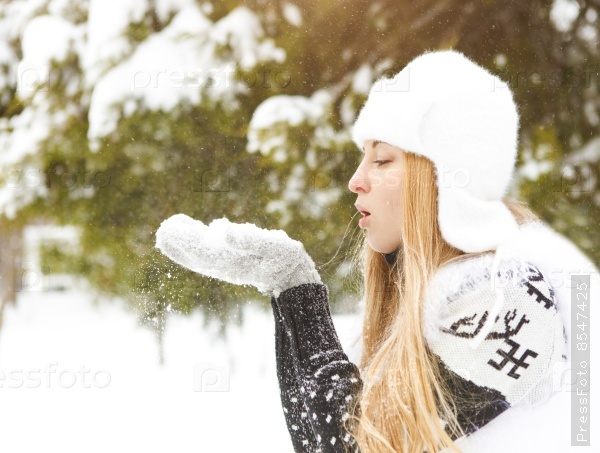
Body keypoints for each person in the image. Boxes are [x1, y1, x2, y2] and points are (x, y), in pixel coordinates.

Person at [155, 50, 599, 452]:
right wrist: (289, 285)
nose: (356, 179)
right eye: (362, 157)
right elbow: (323, 438)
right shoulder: (449, 295)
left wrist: (295, 287)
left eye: (382, 159)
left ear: (441, 178)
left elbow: (352, 447)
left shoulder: (500, 302)